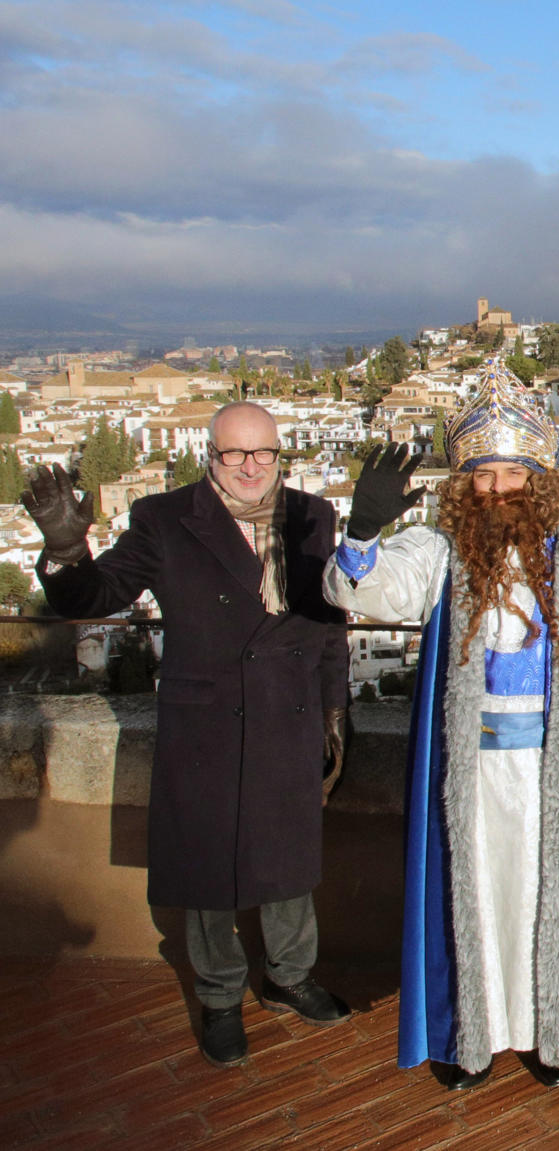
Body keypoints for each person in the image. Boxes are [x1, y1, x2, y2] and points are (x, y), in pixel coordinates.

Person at [22, 402, 352, 1067]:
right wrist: (66, 550)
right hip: (208, 723)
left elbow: (328, 626)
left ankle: (289, 976)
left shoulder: (312, 515)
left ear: (280, 453)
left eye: (264, 453)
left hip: (286, 715)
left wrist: (333, 716)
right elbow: (97, 597)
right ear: (211, 456)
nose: (251, 467)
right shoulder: (165, 518)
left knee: (289, 863)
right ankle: (220, 996)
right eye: (235, 454)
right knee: (208, 869)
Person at [324, 357, 559, 1090]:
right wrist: (362, 530)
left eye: (513, 473)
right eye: (483, 475)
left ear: (539, 477)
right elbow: (360, 590)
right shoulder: (439, 551)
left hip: (550, 767)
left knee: (541, 900)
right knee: (476, 901)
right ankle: (473, 1037)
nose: (498, 488)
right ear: (464, 484)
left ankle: (551, 1033)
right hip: (469, 768)